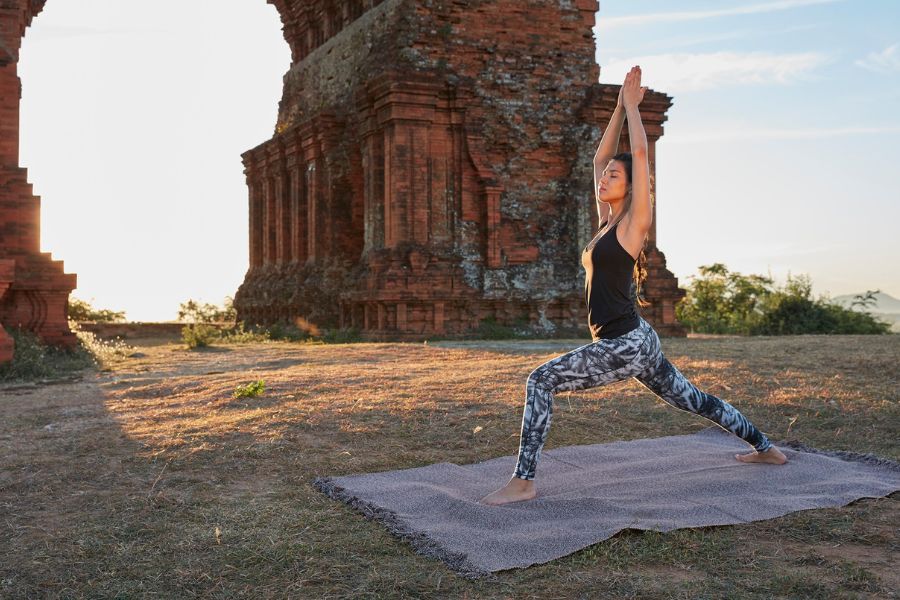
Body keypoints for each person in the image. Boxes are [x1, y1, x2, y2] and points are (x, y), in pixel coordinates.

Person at [479, 66, 787, 506]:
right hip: (637, 339)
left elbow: (639, 155)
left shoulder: (633, 224)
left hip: (625, 344)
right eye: (605, 176)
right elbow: (596, 159)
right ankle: (766, 448)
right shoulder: (607, 223)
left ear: (631, 188)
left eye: (614, 177)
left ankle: (523, 482)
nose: (604, 179)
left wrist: (634, 110)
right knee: (693, 400)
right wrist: (619, 110)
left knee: (540, 380)